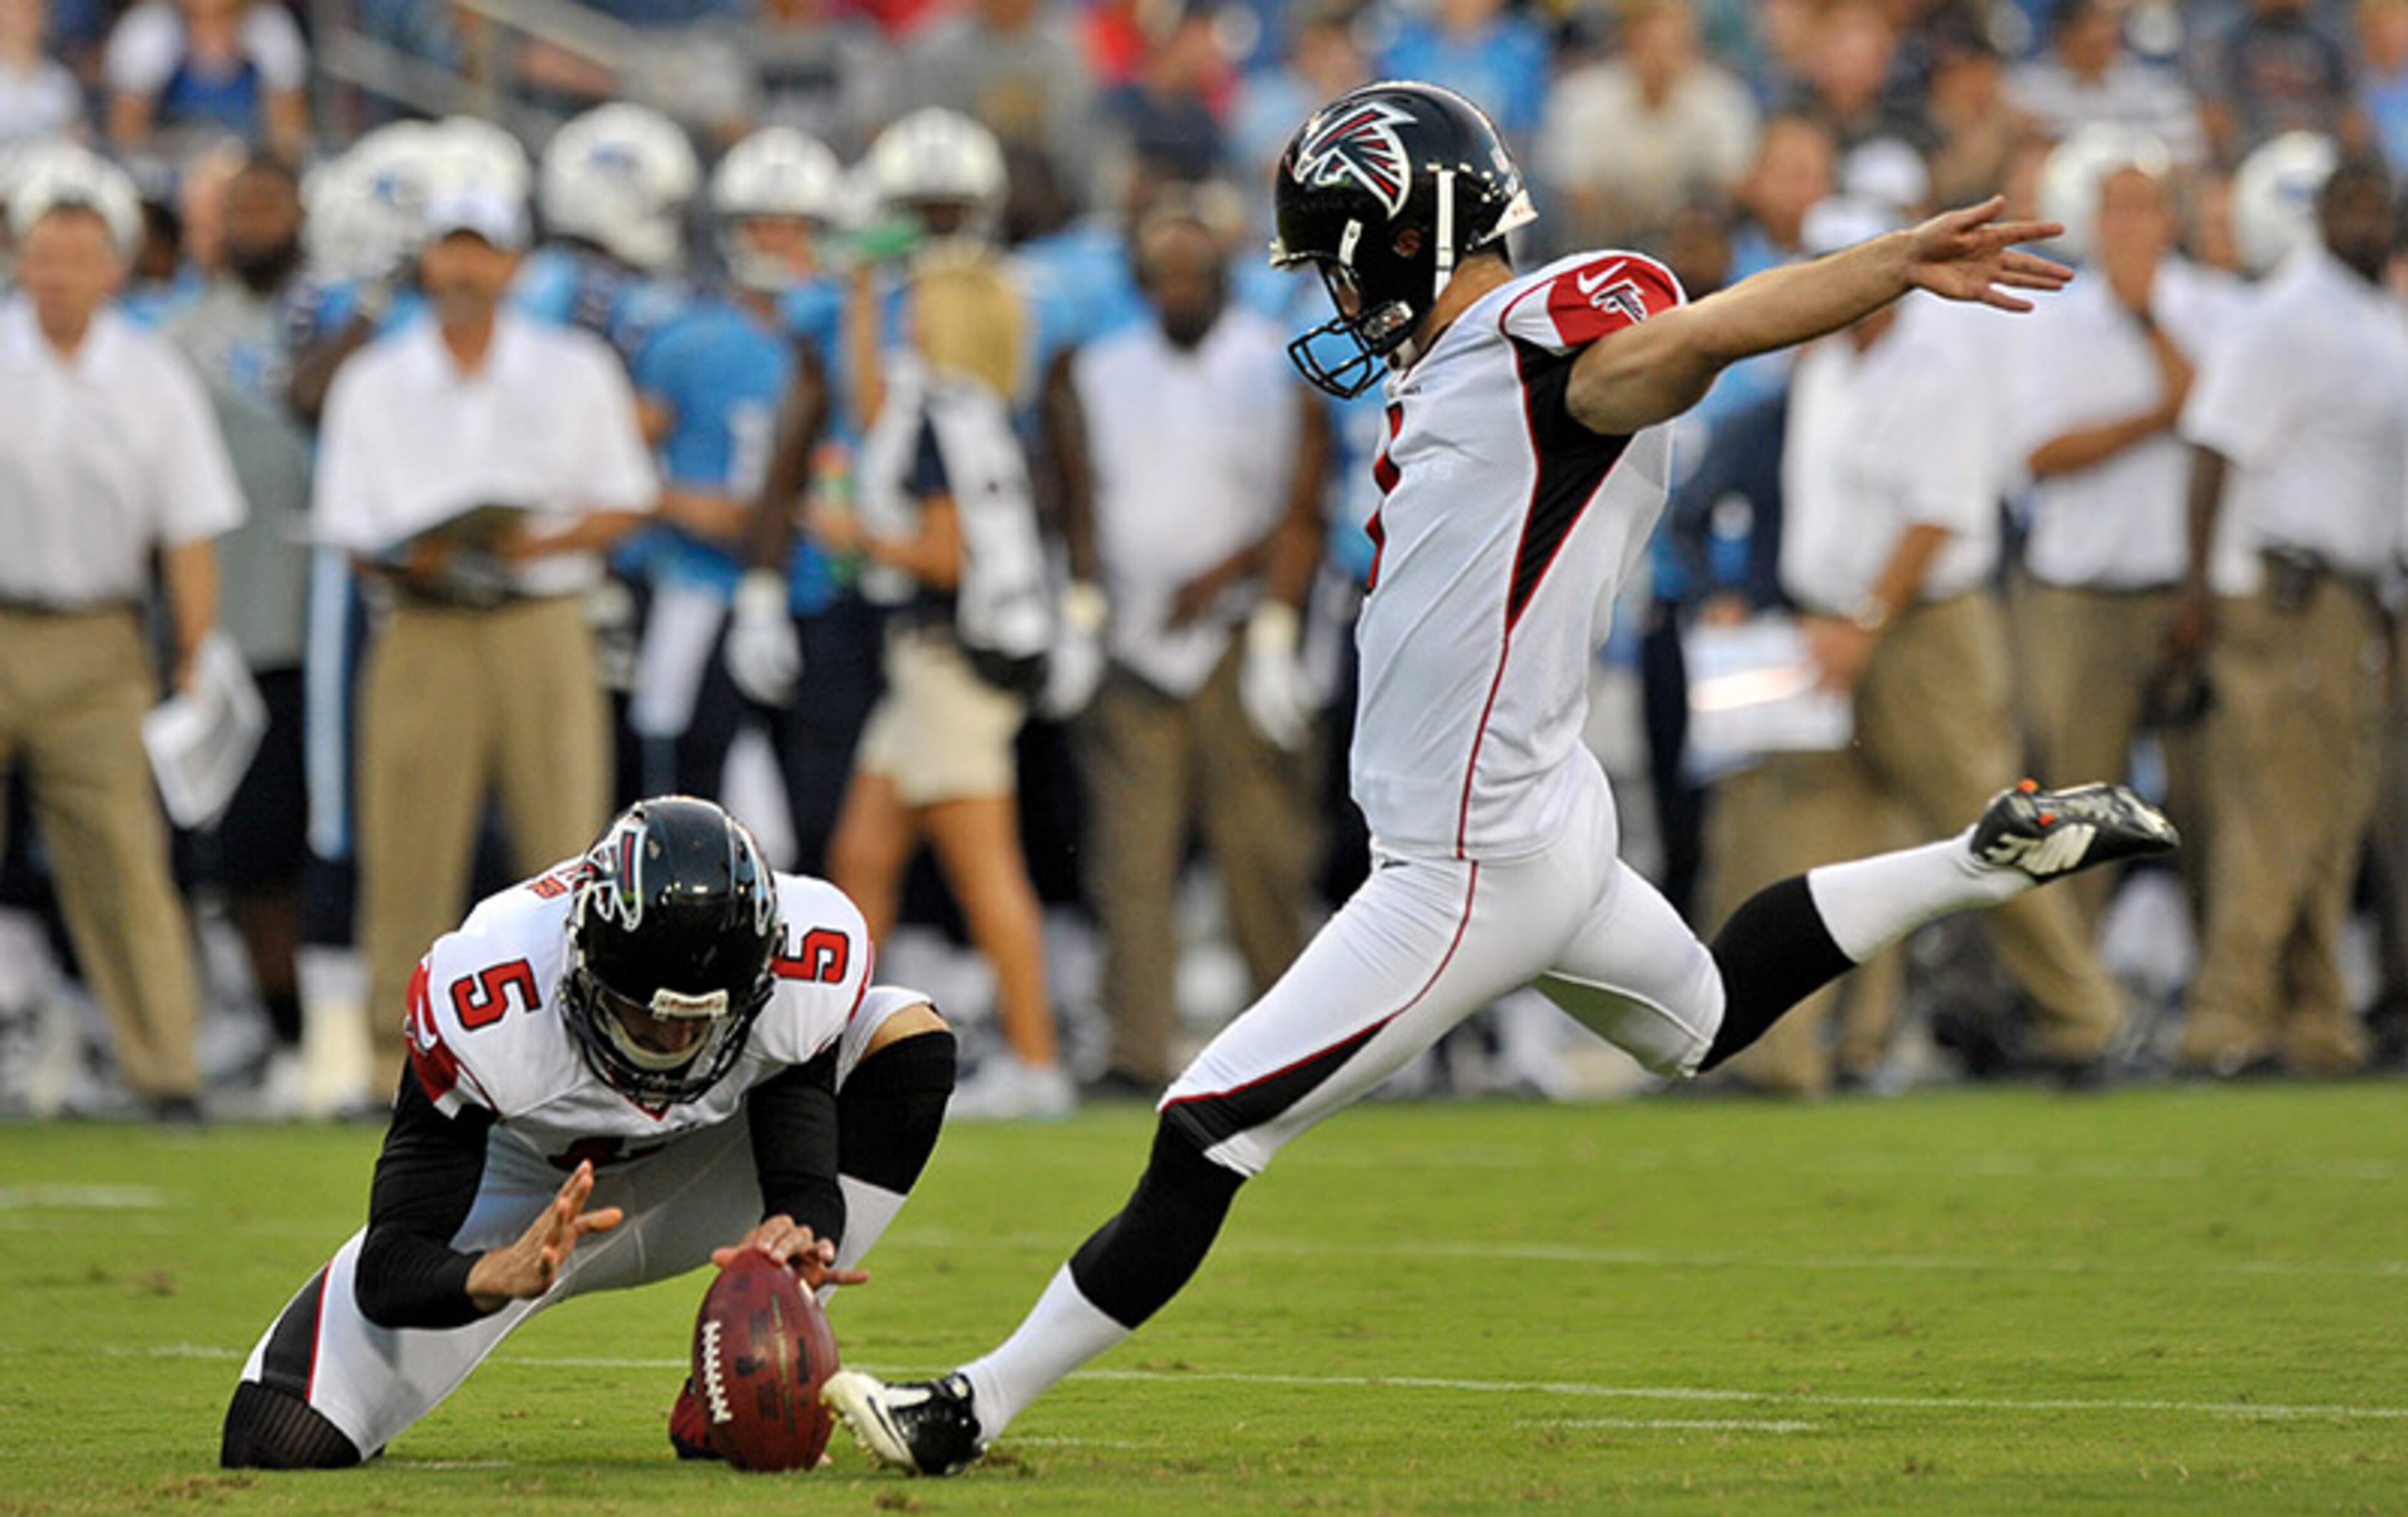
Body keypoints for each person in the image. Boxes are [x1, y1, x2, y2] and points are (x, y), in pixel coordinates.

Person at [821, 81, 2178, 1474]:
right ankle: (1986, 857)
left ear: (1412, 233)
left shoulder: (1551, 342)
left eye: (1344, 256)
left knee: (1206, 1124)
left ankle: (968, 1407)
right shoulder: (1478, 355)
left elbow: (1699, 337)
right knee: (1703, 1020)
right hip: (1545, 815)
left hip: (1466, 868)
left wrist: (1881, 266)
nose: (1335, 294)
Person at [218, 795, 958, 1468]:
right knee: (277, 1435)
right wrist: (488, 1275)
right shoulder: (489, 998)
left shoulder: (800, 960)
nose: (673, 1045)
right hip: (529, 1195)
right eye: (648, 1017)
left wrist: (806, 1226)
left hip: (707, 1164)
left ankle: (741, 1377)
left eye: (701, 1022)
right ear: (583, 968)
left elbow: (800, 1144)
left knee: (907, 1035)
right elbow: (391, 1263)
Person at [312, 175, 656, 1099]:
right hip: (424, 622)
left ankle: (586, 1060)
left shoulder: (572, 365)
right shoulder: (375, 379)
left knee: (568, 850)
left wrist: (530, 539)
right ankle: (402, 1058)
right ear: (427, 259)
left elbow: (626, 499)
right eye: (450, 247)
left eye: (482, 249)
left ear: (512, 263)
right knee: (407, 844)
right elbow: (350, 529)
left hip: (539, 616)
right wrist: (423, 554)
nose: (465, 267)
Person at [0, 144, 244, 1123]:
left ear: (114, 265)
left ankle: (165, 1067)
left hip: (99, 637)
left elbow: (186, 530)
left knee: (124, 854)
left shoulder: (152, 377)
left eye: (78, 253)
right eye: (42, 252)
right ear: (19, 258)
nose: (58, 272)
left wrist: (193, 647)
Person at [2164, 158, 2408, 1078]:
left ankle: (2316, 1021)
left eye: (2376, 204)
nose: (2366, 220)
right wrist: (2200, 591)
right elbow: (2213, 446)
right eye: (2349, 205)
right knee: (2280, 813)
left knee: (2331, 810)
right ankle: (2225, 1021)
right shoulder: (2291, 315)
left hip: (2354, 597)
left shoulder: (2375, 311)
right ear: (2318, 218)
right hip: (2288, 592)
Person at [823, 252, 1071, 1119]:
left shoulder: (943, 421)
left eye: (920, 307)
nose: (909, 321)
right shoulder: (968, 410)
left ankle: (1037, 1060)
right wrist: (856, 294)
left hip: (949, 670)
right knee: (862, 854)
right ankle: (832, 1045)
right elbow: (871, 404)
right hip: (930, 670)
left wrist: (854, 532)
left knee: (986, 870)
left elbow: (940, 552)